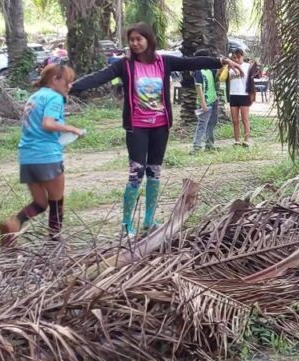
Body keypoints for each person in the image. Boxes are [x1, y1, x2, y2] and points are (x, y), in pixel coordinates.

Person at [70, 23, 229, 237]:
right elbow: (99, 77)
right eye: (132, 40)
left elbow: (190, 62)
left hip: (160, 126)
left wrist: (220, 61)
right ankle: (127, 224)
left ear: (149, 40)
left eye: (139, 39)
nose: (135, 43)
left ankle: (149, 220)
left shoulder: (164, 62)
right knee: (136, 173)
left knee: (154, 172)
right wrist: (72, 86)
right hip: (137, 127)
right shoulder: (125, 65)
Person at [0, 64, 84, 247]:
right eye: (68, 82)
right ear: (55, 80)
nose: (70, 86)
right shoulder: (55, 97)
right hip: (47, 155)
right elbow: (48, 124)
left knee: (40, 203)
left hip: (27, 156)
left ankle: (14, 223)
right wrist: (72, 128)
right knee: (56, 201)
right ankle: (55, 241)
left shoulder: (35, 97)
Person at [226, 46, 257, 147]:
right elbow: (223, 78)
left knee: (245, 119)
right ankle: (237, 140)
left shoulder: (248, 66)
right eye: (234, 58)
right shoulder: (229, 67)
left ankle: (246, 140)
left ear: (242, 56)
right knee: (235, 120)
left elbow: (257, 75)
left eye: (238, 57)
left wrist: (255, 64)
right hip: (233, 95)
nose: (236, 59)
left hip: (244, 95)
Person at [191, 48, 220, 153]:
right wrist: (203, 103)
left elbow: (218, 75)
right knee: (202, 124)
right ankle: (196, 147)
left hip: (213, 100)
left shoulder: (210, 70)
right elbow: (198, 87)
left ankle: (209, 144)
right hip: (205, 102)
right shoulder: (198, 71)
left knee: (212, 123)